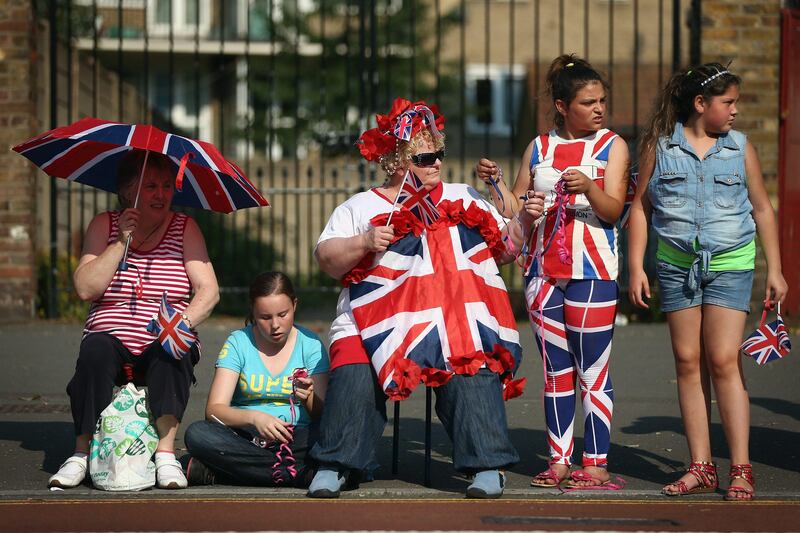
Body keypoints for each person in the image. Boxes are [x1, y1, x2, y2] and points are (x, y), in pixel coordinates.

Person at [306, 97, 542, 499]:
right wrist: (364, 241)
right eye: (425, 157)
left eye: (439, 154)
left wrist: (525, 220)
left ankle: (487, 465)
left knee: (471, 357)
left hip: (451, 315)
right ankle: (336, 463)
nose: (436, 163)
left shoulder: (464, 195)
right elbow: (327, 259)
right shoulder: (360, 206)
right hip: (376, 322)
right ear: (397, 161)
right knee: (356, 373)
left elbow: (502, 250)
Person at [627, 63, 788, 501]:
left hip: (730, 263)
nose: (735, 111)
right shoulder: (660, 148)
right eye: (728, 102)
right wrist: (637, 266)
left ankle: (740, 466)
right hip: (677, 265)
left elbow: (762, 209)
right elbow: (641, 208)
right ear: (701, 105)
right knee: (686, 359)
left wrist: (774, 268)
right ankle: (700, 466)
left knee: (722, 359)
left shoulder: (739, 148)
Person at [476, 54, 630, 488]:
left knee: (592, 371)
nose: (598, 109)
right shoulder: (539, 147)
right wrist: (496, 183)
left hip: (592, 271)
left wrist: (591, 188)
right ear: (562, 106)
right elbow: (516, 210)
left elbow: (615, 210)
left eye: (602, 100)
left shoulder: (611, 146)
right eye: (587, 102)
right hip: (543, 273)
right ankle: (559, 460)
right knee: (555, 372)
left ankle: (595, 462)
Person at [47, 150, 220, 490]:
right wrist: (120, 241)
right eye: (151, 185)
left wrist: (179, 324)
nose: (161, 194)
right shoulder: (104, 224)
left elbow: (208, 292)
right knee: (95, 352)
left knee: (173, 352)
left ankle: (166, 454)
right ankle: (82, 453)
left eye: (167, 186)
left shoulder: (185, 228)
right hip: (110, 331)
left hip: (165, 330)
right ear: (128, 191)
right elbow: (85, 288)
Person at [181, 272, 329, 487]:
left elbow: (323, 415)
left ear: (295, 305)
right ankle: (299, 474)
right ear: (253, 311)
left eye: (283, 314)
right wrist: (255, 418)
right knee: (197, 434)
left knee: (335, 435)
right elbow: (214, 410)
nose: (275, 325)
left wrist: (309, 399)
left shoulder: (311, 344)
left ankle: (222, 474)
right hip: (247, 437)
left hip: (298, 436)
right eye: (265, 318)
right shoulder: (238, 342)